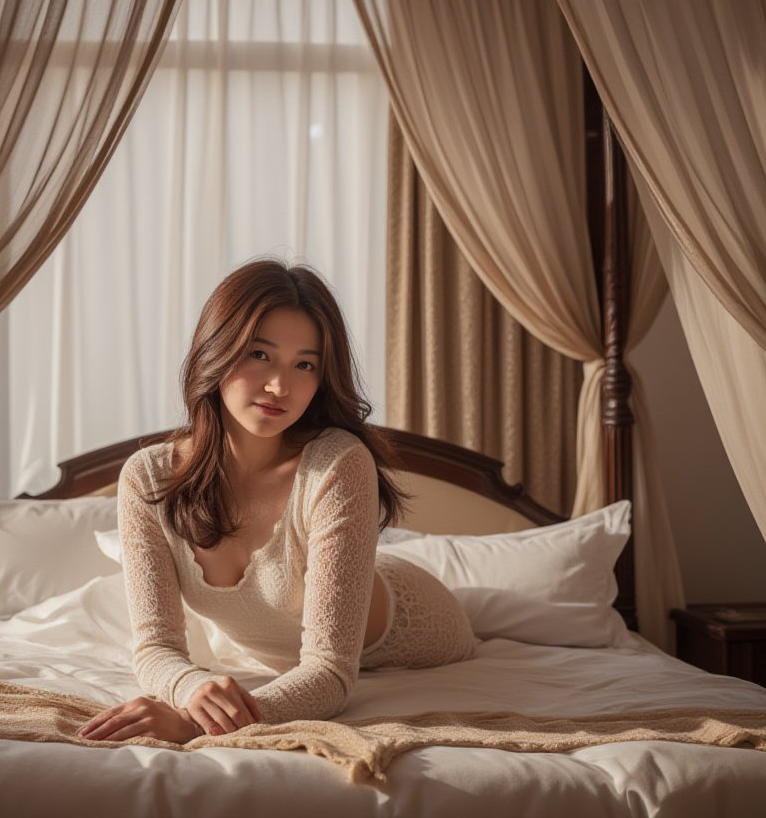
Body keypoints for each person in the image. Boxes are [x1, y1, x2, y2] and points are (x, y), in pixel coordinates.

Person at [79, 260, 474, 744]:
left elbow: (330, 673)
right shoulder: (148, 477)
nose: (279, 386)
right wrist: (190, 686)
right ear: (216, 350)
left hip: (416, 628)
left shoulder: (337, 464)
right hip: (290, 637)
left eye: (304, 365)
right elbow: (156, 646)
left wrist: (193, 723)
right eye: (260, 355)